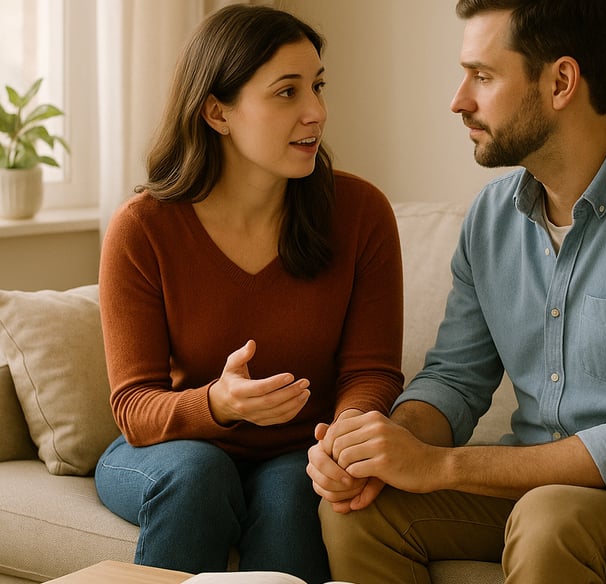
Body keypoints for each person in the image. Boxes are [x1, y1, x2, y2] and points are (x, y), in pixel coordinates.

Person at [308, 0, 606, 582]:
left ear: (561, 82)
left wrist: (443, 466)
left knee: (549, 518)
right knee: (358, 512)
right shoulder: (491, 218)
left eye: (483, 75)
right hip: (535, 494)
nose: (459, 100)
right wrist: (380, 448)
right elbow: (454, 380)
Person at [94, 5, 404, 583]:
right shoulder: (143, 228)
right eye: (287, 92)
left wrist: (343, 439)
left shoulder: (360, 214)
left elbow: (373, 370)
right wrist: (219, 404)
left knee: (294, 496)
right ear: (217, 112)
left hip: (295, 454)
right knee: (198, 474)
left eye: (317, 86)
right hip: (168, 452)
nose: (316, 111)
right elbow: (134, 409)